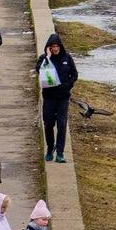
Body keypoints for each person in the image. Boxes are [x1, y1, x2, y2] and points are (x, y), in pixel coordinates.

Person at [38, 35, 79, 163]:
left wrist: (68, 86)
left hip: (63, 97)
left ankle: (60, 152)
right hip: (49, 97)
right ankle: (50, 148)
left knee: (62, 124)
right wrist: (48, 57)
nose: (55, 49)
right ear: (49, 48)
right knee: (48, 123)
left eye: (57, 46)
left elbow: (75, 74)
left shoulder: (67, 58)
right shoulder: (44, 59)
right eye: (53, 47)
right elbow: (39, 70)